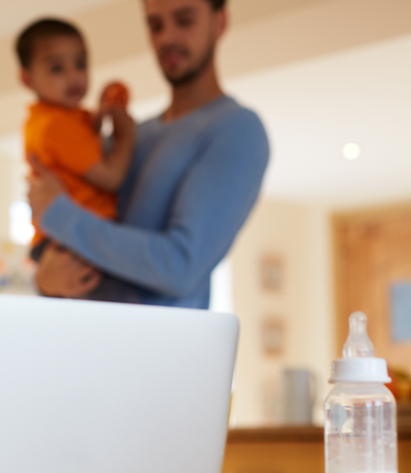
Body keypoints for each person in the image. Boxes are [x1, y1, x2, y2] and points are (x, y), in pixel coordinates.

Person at [28, 0, 270, 307]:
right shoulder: (130, 138)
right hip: (88, 344)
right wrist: (44, 280)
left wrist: (58, 215)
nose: (167, 37)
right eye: (155, 25)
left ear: (219, 22)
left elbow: (180, 266)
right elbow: (78, 246)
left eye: (184, 20)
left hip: (162, 352)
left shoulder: (236, 129)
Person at [14, 18, 136, 260]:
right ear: (28, 79)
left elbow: (80, 152)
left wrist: (99, 120)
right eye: (57, 68)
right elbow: (110, 177)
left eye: (80, 64)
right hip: (69, 241)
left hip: (58, 236)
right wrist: (126, 136)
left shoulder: (50, 119)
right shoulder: (56, 126)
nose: (73, 76)